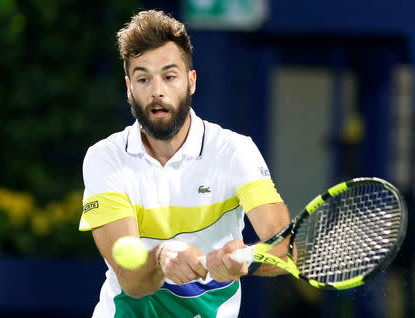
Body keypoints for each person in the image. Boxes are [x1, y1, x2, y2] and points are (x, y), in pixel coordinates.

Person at [79, 9, 291, 318]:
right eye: (143, 78)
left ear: (190, 81)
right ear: (129, 88)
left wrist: (247, 258)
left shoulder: (235, 151)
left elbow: (282, 245)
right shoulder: (105, 158)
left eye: (169, 76)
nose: (157, 91)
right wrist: (162, 256)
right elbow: (133, 280)